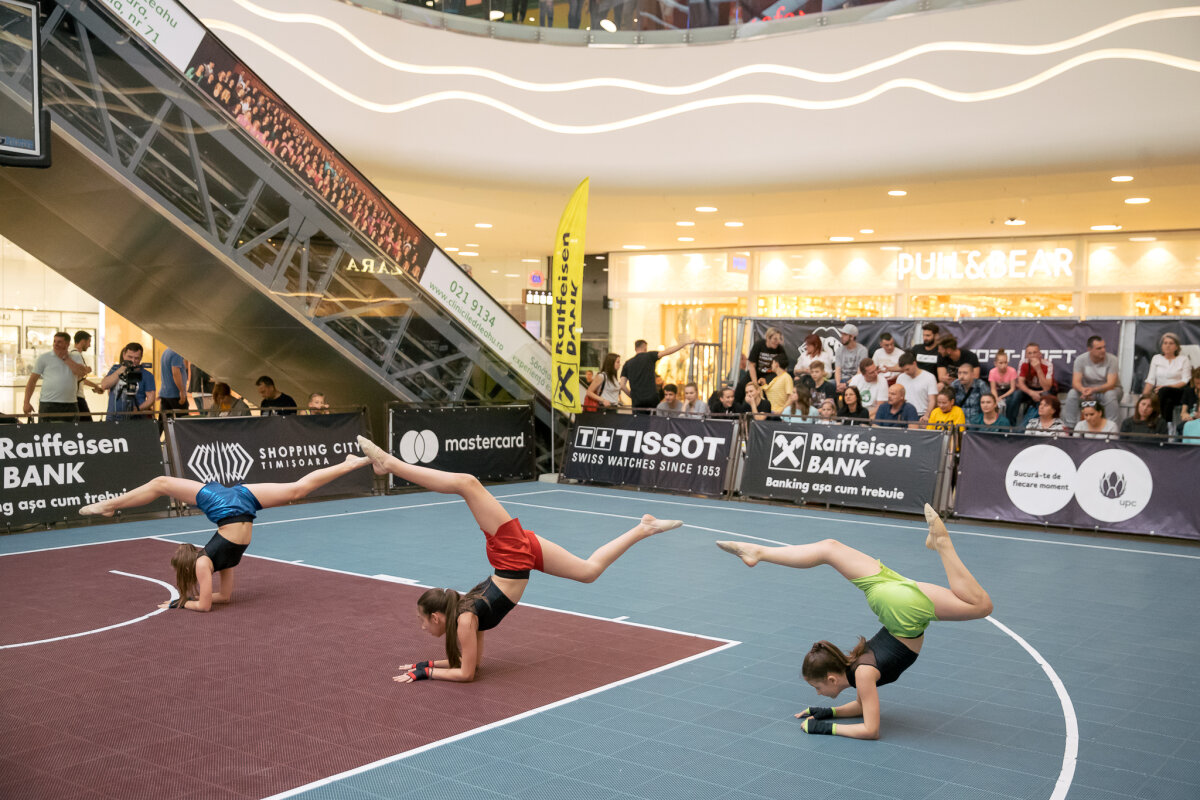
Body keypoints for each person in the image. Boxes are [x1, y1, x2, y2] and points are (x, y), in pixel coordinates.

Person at [353, 435, 682, 684]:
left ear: (438, 617)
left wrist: (426, 671)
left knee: (468, 484)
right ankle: (644, 528)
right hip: (518, 556)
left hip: (511, 557)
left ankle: (390, 464)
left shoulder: (465, 620)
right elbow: (470, 666)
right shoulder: (465, 619)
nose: (422, 627)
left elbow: (466, 672)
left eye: (423, 620)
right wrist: (426, 665)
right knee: (588, 572)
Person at [714, 505, 993, 740]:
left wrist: (824, 728)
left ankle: (942, 544)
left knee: (981, 606)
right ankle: (759, 552)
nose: (819, 693)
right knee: (829, 548)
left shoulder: (863, 674)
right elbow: (861, 708)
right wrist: (827, 712)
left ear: (832, 678)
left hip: (901, 610)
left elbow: (871, 730)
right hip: (892, 600)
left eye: (818, 688)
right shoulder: (858, 670)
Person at [79, 455, 371, 611]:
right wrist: (186, 601)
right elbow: (221, 598)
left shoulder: (205, 563)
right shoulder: (218, 563)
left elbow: (205, 604)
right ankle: (348, 464)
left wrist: (182, 602)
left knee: (161, 483)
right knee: (297, 490)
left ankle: (110, 505)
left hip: (224, 508)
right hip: (241, 502)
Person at [22, 331, 88, 422]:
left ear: (67, 344)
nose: (56, 344)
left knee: (71, 430)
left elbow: (81, 373)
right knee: (46, 430)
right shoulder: (44, 358)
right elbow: (32, 381)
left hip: (70, 403)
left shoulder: (75, 356)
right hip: (48, 403)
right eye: (54, 341)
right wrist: (26, 402)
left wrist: (66, 359)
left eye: (59, 342)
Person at [620, 339, 694, 411]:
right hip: (651, 400)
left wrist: (633, 396)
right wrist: (685, 343)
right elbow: (668, 351)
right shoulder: (649, 356)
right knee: (653, 419)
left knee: (638, 419)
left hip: (637, 402)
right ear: (645, 347)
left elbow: (622, 385)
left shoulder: (627, 363)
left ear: (635, 348)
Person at [1064, 336, 1121, 429]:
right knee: (1072, 393)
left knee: (1110, 395)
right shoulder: (1080, 360)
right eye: (1099, 348)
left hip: (1108, 390)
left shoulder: (1112, 360)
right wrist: (1083, 390)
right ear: (1089, 349)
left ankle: (1111, 429)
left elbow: (1111, 384)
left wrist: (1093, 390)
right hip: (1088, 391)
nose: (1103, 350)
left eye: (1104, 347)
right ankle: (1070, 428)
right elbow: (1075, 382)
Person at [1142, 332, 1192, 426]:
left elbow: (1185, 380)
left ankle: (1158, 422)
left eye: (1171, 343)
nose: (1167, 346)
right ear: (1161, 346)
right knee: (1168, 401)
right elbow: (1150, 380)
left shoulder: (1183, 359)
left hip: (1178, 391)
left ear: (1176, 347)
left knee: (1164, 391)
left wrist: (1166, 386)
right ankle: (1167, 426)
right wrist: (1143, 397)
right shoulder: (1156, 358)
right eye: (1165, 343)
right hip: (1160, 393)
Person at [99, 342, 156, 422]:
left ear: (141, 358)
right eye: (130, 357)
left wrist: (138, 409)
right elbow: (104, 385)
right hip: (113, 418)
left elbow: (151, 399)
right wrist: (122, 369)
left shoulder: (147, 375)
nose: (133, 360)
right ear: (124, 355)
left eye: (136, 358)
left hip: (136, 420)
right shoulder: (115, 369)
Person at [1014, 343, 1057, 423]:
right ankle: (1010, 424)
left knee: (1045, 396)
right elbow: (1020, 383)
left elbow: (1047, 387)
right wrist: (1031, 393)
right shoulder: (1023, 362)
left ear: (1040, 354)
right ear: (1026, 355)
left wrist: (1038, 368)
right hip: (1030, 389)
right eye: (1029, 353)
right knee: (1016, 394)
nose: (1032, 355)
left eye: (1035, 352)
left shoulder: (1048, 364)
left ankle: (1028, 424)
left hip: (1044, 390)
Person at [896, 353, 937, 422]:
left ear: (914, 363)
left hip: (921, 414)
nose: (906, 372)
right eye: (904, 370)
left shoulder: (929, 377)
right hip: (904, 414)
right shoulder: (901, 377)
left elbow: (932, 400)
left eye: (907, 369)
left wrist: (926, 415)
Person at [746, 327, 787, 392]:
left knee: (766, 386)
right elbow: (751, 365)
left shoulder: (780, 349)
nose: (777, 342)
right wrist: (755, 383)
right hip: (756, 372)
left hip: (771, 374)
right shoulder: (758, 345)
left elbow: (784, 368)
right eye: (775, 339)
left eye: (779, 339)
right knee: (742, 385)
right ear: (768, 338)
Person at [71, 331, 101, 420]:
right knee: (87, 423)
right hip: (77, 397)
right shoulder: (76, 355)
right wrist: (87, 370)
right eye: (89, 342)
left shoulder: (73, 354)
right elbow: (79, 374)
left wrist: (95, 386)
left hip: (76, 396)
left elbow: (80, 378)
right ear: (83, 341)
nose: (90, 345)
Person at [987, 349, 1020, 427]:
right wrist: (996, 398)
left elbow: (1012, 388)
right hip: (998, 391)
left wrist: (1002, 397)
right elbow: (993, 388)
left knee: (1014, 397)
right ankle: (994, 424)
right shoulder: (992, 372)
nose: (1004, 365)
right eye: (1001, 363)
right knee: (990, 397)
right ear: (995, 363)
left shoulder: (1012, 370)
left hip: (1009, 392)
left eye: (1005, 362)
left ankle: (1011, 423)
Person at [834, 324, 869, 393]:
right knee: (829, 385)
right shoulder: (839, 350)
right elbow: (837, 370)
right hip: (841, 380)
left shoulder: (862, 350)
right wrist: (838, 384)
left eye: (845, 334)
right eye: (842, 334)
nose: (841, 336)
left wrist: (846, 384)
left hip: (856, 380)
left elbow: (860, 373)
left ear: (852, 337)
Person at [159, 347, 189, 415]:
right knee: (183, 419)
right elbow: (175, 373)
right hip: (175, 394)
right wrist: (182, 391)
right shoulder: (177, 353)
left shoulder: (166, 352)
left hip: (165, 394)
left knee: (165, 420)